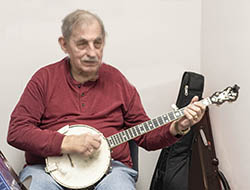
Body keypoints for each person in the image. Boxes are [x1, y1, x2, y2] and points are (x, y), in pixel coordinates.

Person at [7, 9, 206, 190]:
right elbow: (17, 131)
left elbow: (146, 136)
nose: (92, 52)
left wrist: (178, 127)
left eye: (98, 43)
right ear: (64, 44)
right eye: (82, 44)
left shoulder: (117, 81)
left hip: (110, 172)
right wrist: (65, 143)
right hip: (48, 171)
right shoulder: (44, 78)